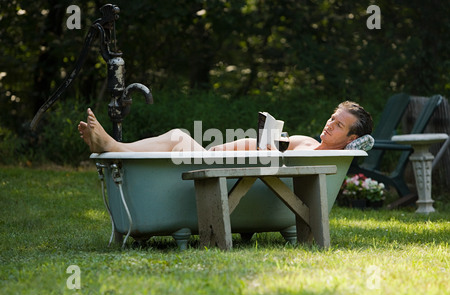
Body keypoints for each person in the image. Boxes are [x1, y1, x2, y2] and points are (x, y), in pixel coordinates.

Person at [78, 101, 373, 153]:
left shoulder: (325, 158)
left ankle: (113, 147)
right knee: (179, 138)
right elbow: (264, 148)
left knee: (179, 137)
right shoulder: (306, 141)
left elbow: (366, 143)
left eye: (339, 125)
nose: (330, 125)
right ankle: (112, 147)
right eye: (332, 118)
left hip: (231, 177)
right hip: (224, 165)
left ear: (351, 138)